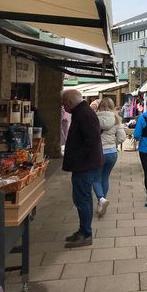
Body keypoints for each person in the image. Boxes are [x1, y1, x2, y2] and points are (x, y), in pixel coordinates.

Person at [61, 89, 103, 248]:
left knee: (82, 199)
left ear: (70, 102)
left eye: (64, 103)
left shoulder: (84, 114)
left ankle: (86, 233)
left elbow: (92, 139)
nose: (63, 107)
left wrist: (77, 157)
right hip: (84, 164)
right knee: (81, 198)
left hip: (85, 165)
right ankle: (83, 231)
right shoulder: (82, 113)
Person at [93, 97, 126, 217]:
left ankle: (101, 200)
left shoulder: (94, 118)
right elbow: (122, 137)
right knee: (105, 177)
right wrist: (112, 144)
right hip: (112, 153)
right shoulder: (117, 119)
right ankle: (101, 201)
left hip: (97, 152)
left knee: (95, 178)